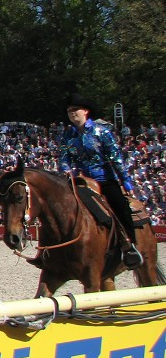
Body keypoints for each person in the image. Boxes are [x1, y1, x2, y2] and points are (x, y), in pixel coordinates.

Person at [58, 94, 143, 269]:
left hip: (103, 178)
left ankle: (130, 245)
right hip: (79, 180)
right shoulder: (67, 135)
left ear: (86, 111)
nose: (72, 113)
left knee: (120, 205)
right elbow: (64, 158)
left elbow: (115, 158)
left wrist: (125, 181)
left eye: (75, 110)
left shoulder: (101, 131)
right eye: (69, 111)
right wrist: (66, 170)